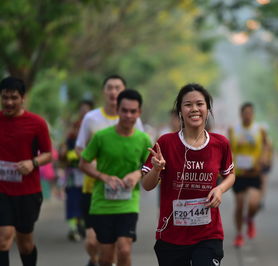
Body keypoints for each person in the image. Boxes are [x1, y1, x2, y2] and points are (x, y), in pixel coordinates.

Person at [142, 83, 235, 266]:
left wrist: (219, 189)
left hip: (208, 234)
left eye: (200, 104)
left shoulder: (220, 143)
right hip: (172, 235)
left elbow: (230, 174)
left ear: (207, 109)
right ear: (180, 111)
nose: (194, 109)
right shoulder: (166, 143)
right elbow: (146, 184)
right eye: (188, 105)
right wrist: (156, 169)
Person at [75, 75, 144, 266]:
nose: (114, 92)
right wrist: (98, 167)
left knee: (122, 248)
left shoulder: (135, 122)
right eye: (110, 88)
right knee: (92, 242)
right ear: (103, 92)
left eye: (118, 88)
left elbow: (144, 154)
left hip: (124, 193)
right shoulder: (91, 119)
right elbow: (80, 149)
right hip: (94, 187)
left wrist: (137, 174)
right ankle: (94, 259)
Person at [0, 77, 52, 266]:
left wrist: (32, 162)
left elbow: (48, 154)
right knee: (3, 238)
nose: (9, 102)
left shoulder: (36, 123)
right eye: (5, 97)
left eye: (14, 97)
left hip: (27, 192)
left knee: (25, 243)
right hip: (2, 190)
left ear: (22, 98)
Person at [228, 102, 271, 248]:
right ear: (241, 114)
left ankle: (250, 218)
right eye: (245, 113)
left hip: (254, 172)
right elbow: (228, 147)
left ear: (253, 114)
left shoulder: (259, 129)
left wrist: (264, 157)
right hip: (239, 173)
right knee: (239, 205)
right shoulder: (234, 129)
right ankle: (239, 234)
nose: (248, 115)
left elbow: (266, 145)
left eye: (250, 113)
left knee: (253, 204)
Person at [59, 100, 94, 242]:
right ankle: (73, 228)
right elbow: (63, 151)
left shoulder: (96, 130)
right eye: (82, 109)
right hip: (74, 173)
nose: (84, 112)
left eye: (87, 109)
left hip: (91, 173)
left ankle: (86, 226)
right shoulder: (72, 130)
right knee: (73, 200)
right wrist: (67, 154)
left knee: (87, 201)